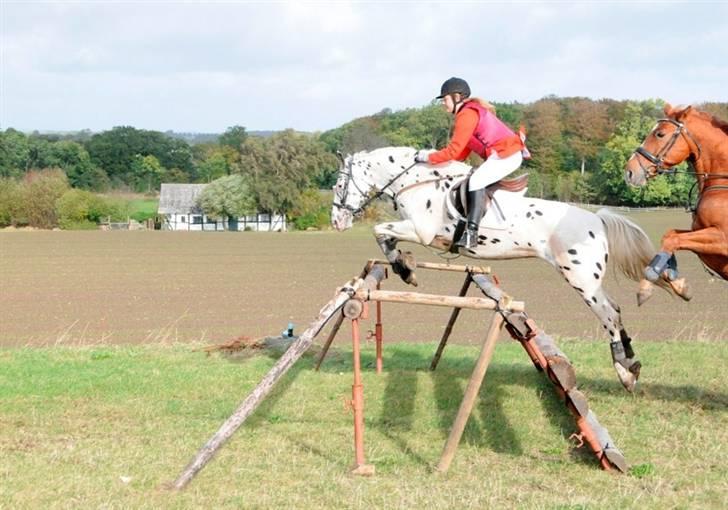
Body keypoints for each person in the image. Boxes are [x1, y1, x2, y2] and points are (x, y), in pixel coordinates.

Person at [415, 77, 528, 250]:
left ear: (457, 97)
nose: (443, 104)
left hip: (507, 154)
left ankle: (472, 234)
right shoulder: (468, 113)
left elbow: (452, 152)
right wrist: (435, 160)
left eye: (444, 99)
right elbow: (459, 154)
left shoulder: (466, 114)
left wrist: (426, 158)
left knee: (476, 181)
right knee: (473, 179)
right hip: (504, 154)